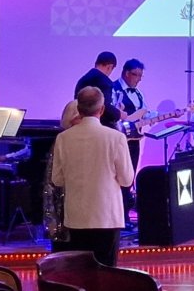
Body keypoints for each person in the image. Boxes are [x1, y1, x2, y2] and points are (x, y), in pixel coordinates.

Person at [51, 87, 134, 266]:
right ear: (102, 109)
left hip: (76, 217)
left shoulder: (63, 138)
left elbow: (57, 179)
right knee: (106, 273)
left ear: (78, 109)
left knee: (80, 272)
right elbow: (127, 180)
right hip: (107, 217)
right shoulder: (116, 138)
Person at [109, 58, 152, 229]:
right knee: (117, 177)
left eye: (141, 76)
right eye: (136, 75)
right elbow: (110, 114)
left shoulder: (138, 94)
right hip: (118, 140)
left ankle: (125, 215)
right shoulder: (113, 89)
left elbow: (145, 114)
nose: (139, 79)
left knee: (129, 176)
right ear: (127, 73)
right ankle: (116, 216)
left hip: (134, 141)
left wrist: (168, 114)